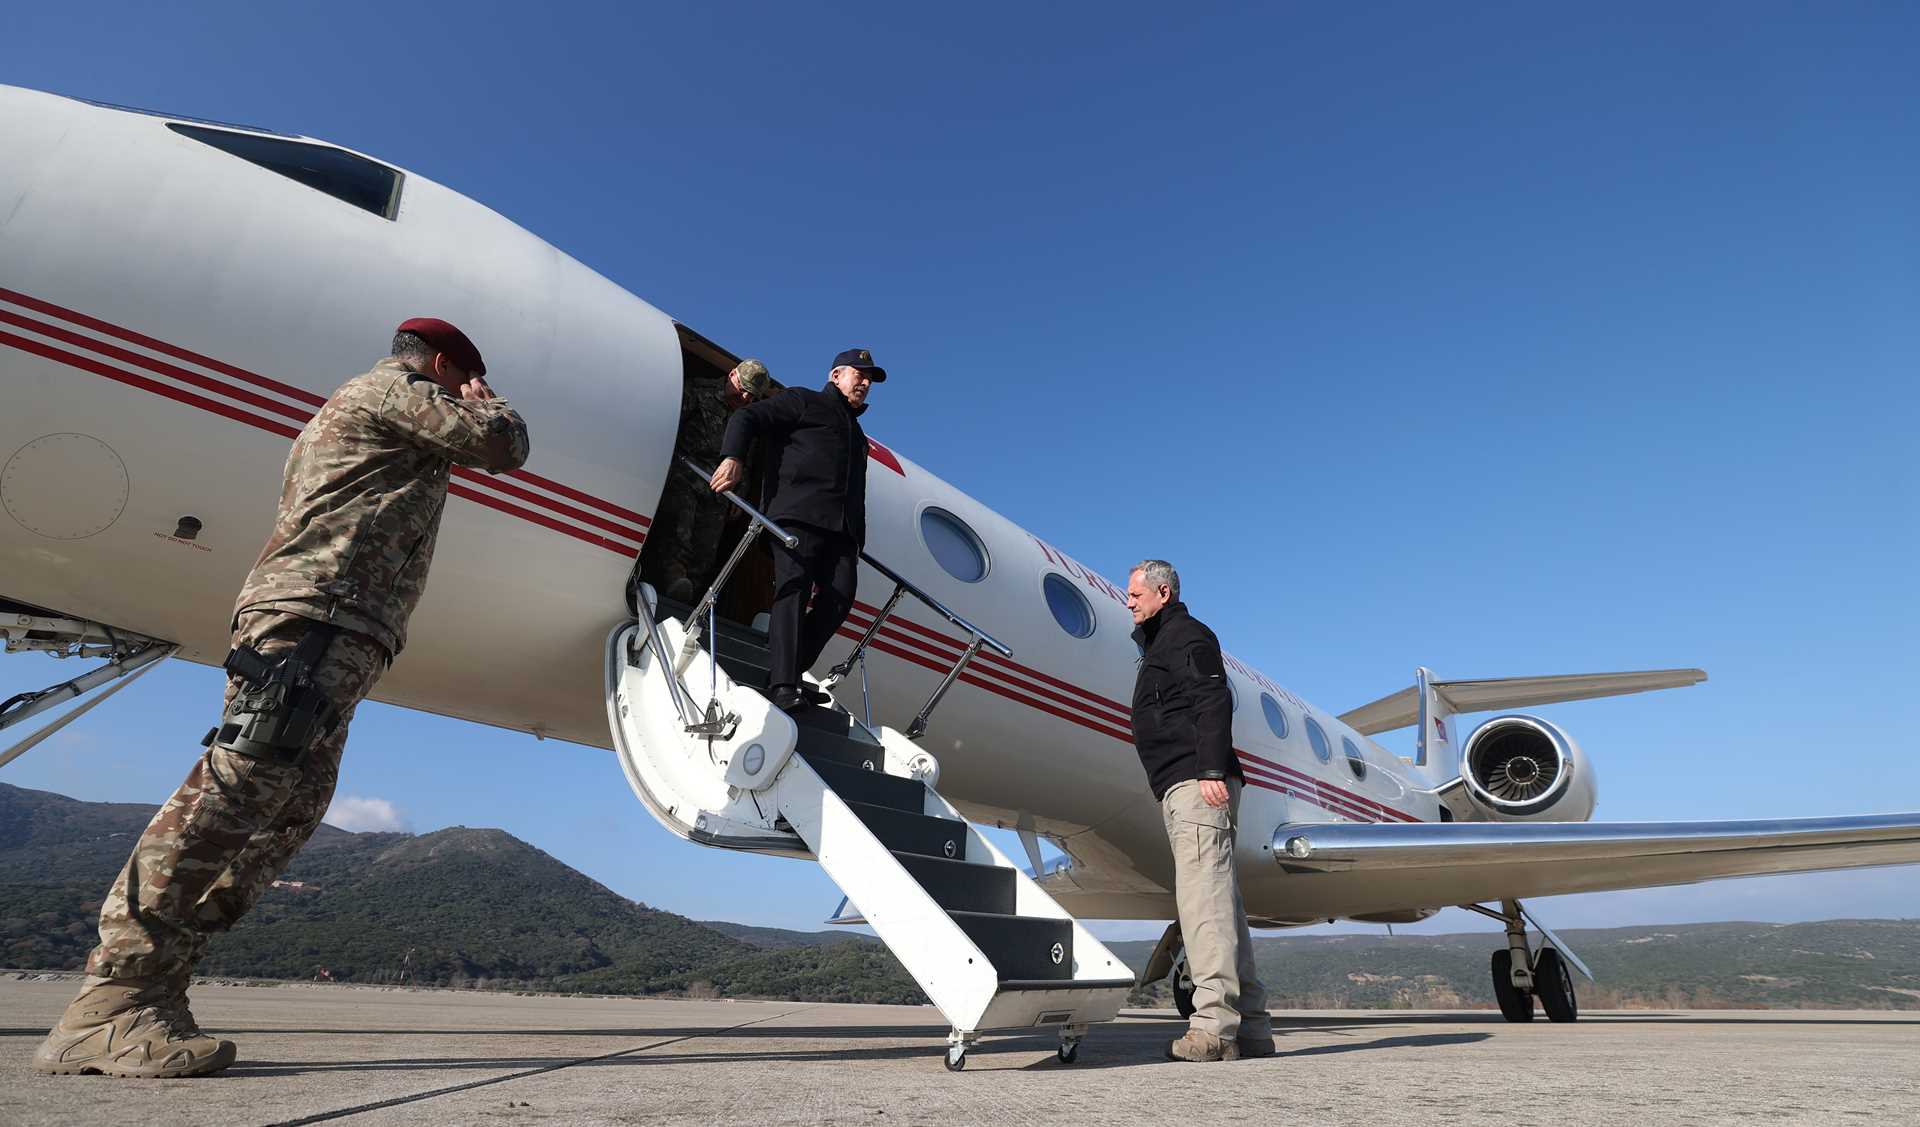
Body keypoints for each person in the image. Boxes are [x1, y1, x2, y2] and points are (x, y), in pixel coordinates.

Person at [31, 318, 530, 1078]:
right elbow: (501, 449)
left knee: (289, 804)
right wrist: (490, 405)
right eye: (460, 380)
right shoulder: (391, 392)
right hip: (317, 611)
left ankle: (159, 984)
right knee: (240, 785)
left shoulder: (386, 411)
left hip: (342, 624)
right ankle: (113, 997)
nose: (467, 394)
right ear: (438, 366)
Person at [1125, 559, 1274, 1063]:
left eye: (1136, 594)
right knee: (1221, 904)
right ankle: (1251, 1029)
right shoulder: (1161, 643)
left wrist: (1210, 771)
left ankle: (1212, 1028)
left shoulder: (1185, 635)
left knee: (1201, 905)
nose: (1129, 601)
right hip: (1184, 780)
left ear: (1163, 593)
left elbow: (1212, 698)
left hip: (1195, 781)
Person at [709, 348, 882, 711]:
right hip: (797, 519)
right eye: (859, 374)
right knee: (793, 593)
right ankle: (784, 684)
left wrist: (857, 539)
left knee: (840, 598)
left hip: (841, 534)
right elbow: (749, 418)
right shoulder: (803, 401)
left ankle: (790, 668)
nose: (865, 382)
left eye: (869, 379)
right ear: (836, 376)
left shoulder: (857, 434)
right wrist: (733, 456)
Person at [642, 359, 772, 604]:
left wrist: (740, 492)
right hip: (685, 472)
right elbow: (668, 426)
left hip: (718, 489)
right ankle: (668, 584)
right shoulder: (698, 391)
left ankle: (687, 600)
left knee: (705, 551)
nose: (745, 398)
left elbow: (746, 461)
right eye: (742, 389)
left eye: (752, 396)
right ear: (732, 375)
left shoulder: (748, 418)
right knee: (677, 531)